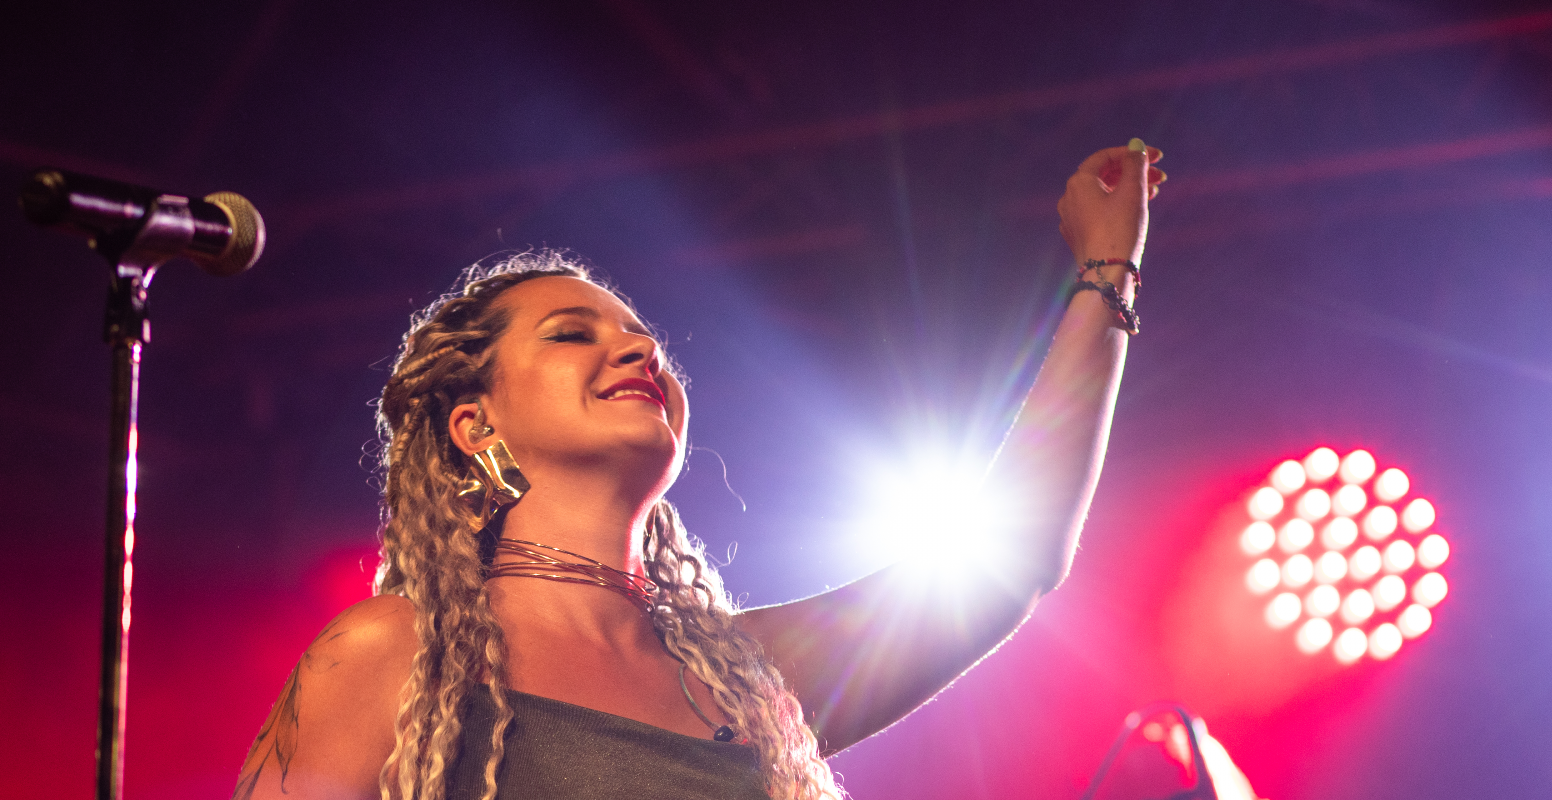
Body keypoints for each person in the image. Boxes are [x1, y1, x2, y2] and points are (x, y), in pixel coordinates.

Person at [234, 142, 1166, 800]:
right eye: (573, 335)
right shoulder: (392, 653)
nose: (637, 351)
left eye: (644, 340)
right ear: (475, 425)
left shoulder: (750, 676)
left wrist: (1106, 269)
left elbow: (1014, 559)